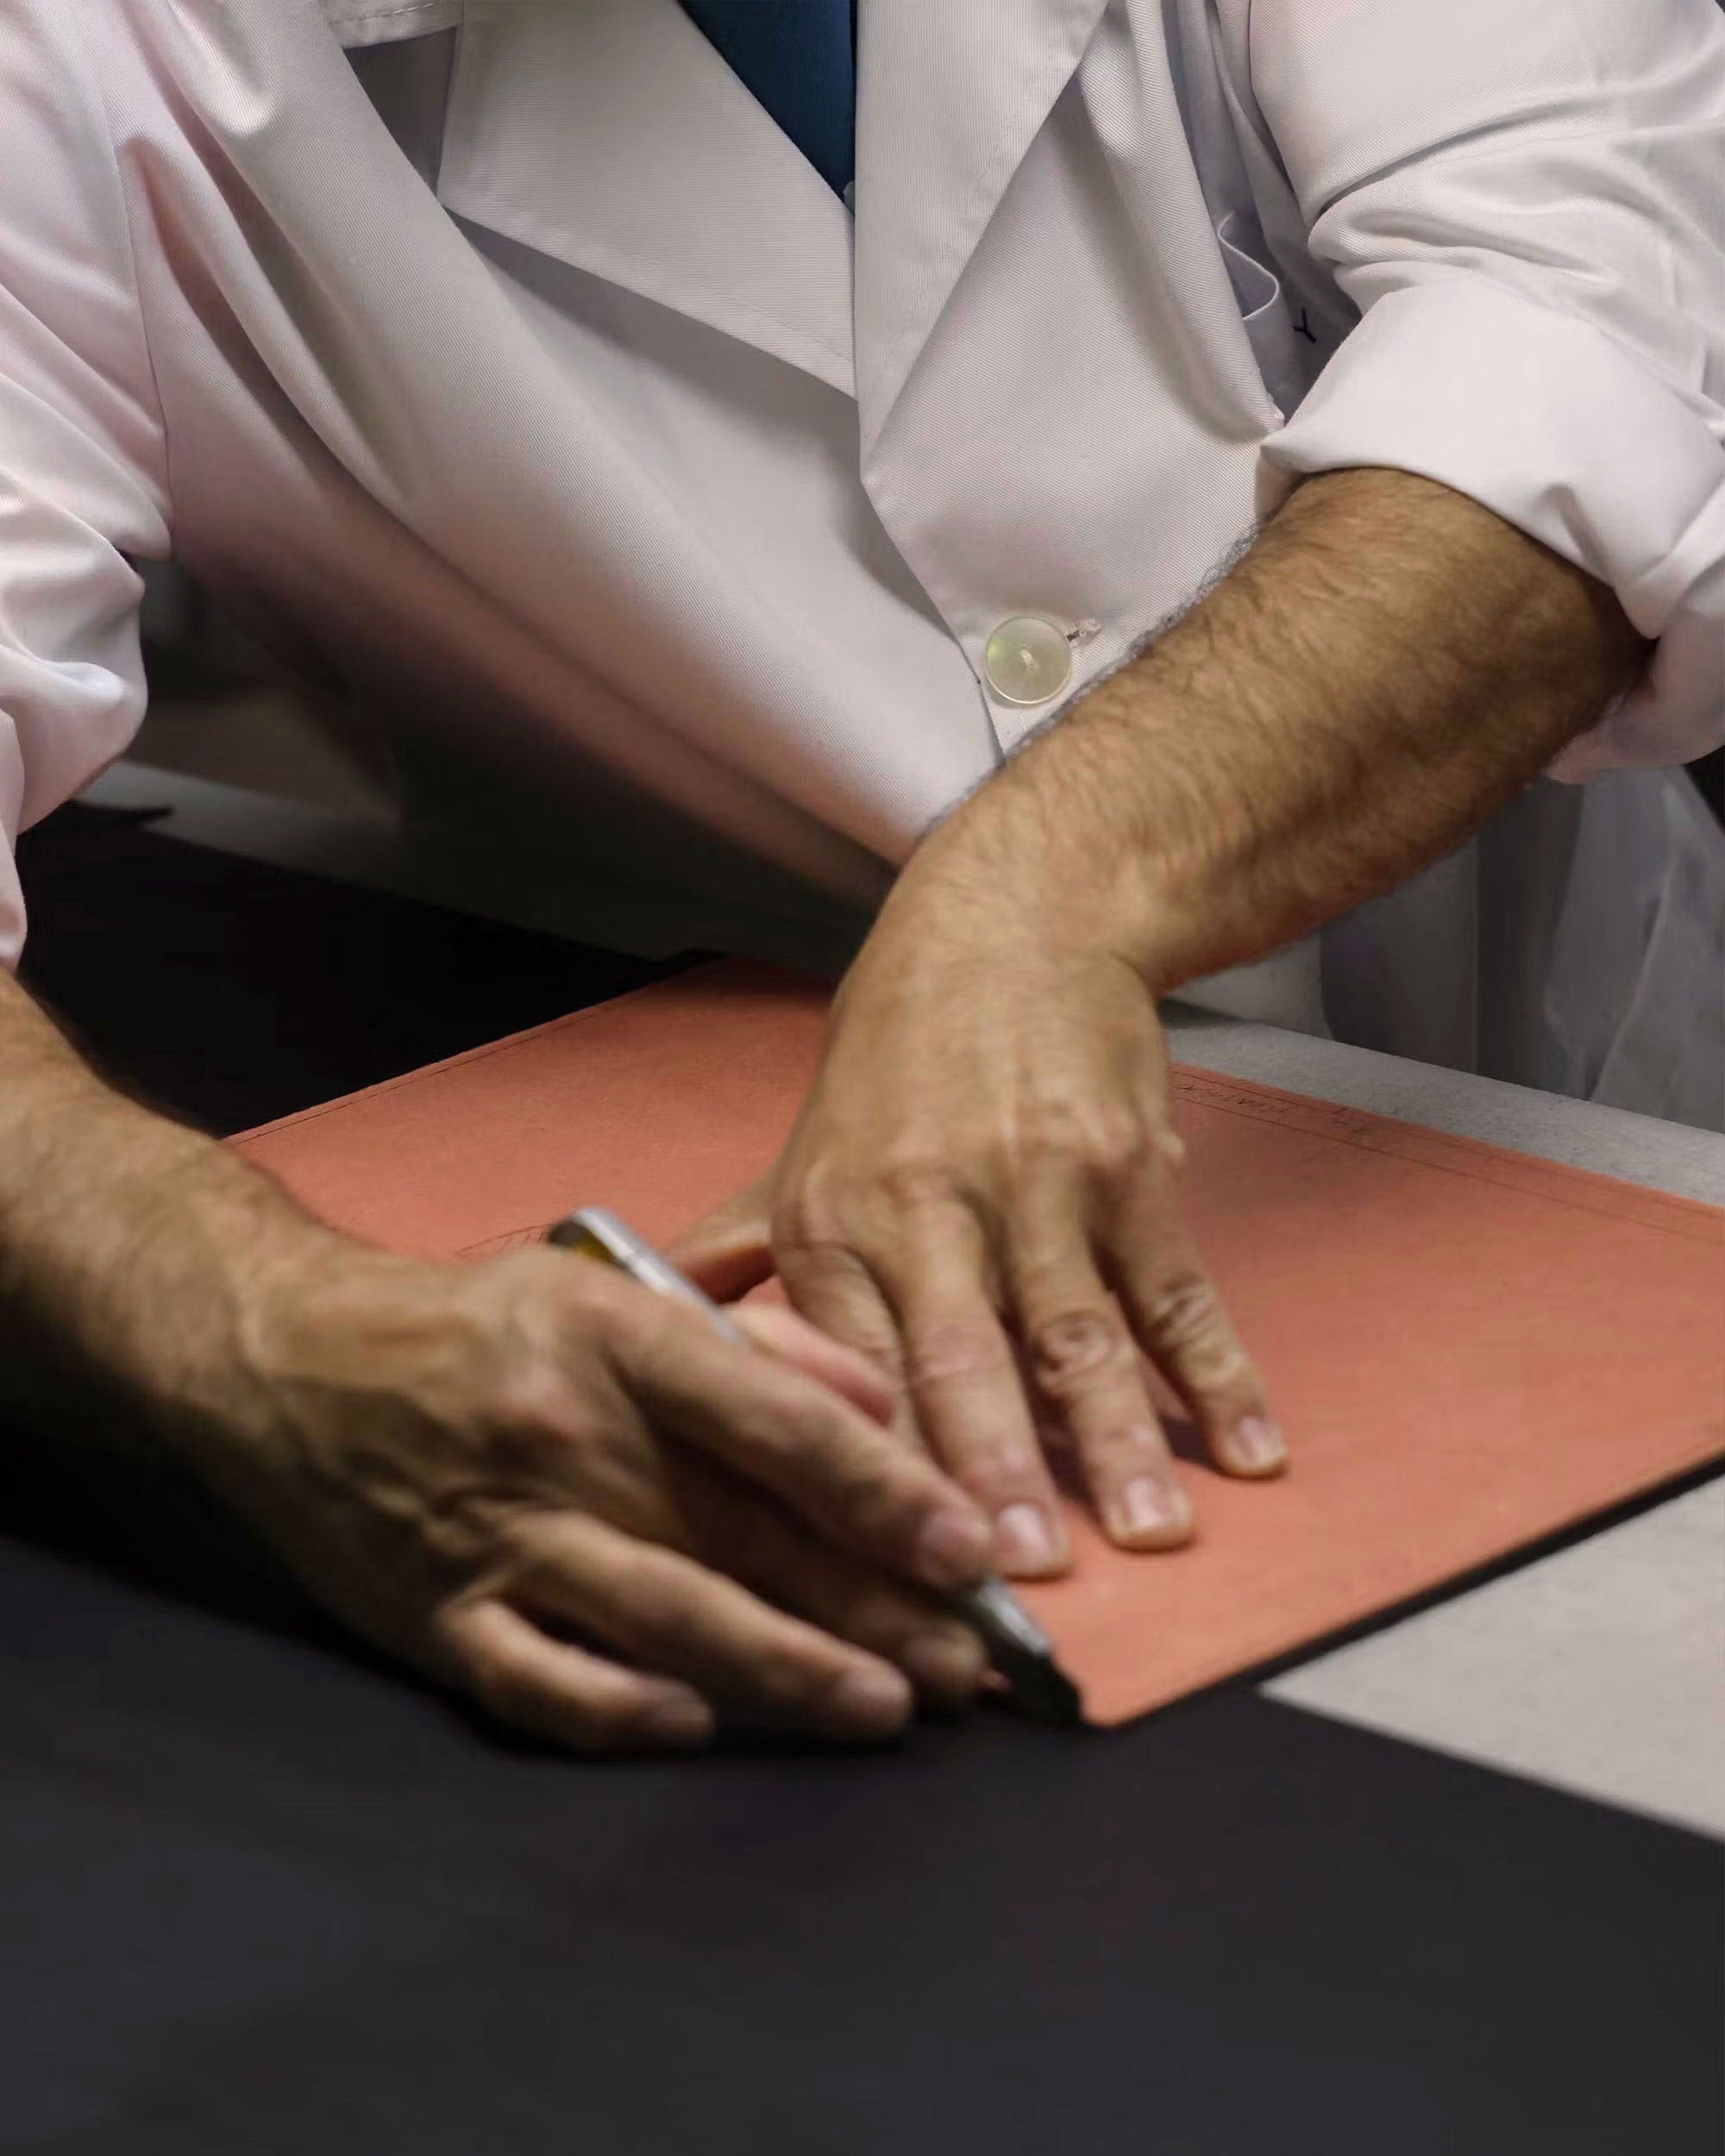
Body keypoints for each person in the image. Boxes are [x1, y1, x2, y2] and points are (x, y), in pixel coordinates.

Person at [1, 0, 1721, 1751]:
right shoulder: (73, 51)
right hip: (761, 1233)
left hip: (1573, 1139)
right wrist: (254, 1333)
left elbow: (1588, 336)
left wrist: (1037, 898)